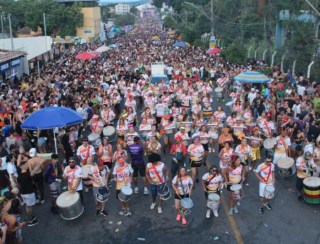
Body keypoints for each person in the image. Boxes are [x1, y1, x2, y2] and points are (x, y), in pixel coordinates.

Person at [17, 161, 38, 226]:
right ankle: (30, 221)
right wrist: (38, 164)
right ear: (23, 166)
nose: (27, 165)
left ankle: (31, 217)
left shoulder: (19, 174)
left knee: (27, 206)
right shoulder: (27, 174)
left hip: (23, 193)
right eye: (26, 164)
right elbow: (33, 172)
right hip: (28, 193)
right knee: (29, 207)